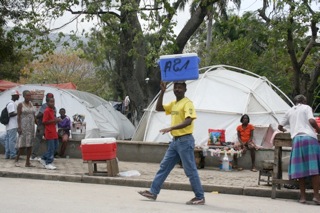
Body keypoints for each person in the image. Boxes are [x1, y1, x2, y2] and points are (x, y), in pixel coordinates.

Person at [138, 81, 205, 205]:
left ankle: (200, 197)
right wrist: (162, 92)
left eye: (180, 87)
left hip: (185, 140)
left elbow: (189, 120)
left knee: (190, 170)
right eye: (175, 87)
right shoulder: (174, 104)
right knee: (164, 166)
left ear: (185, 89)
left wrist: (171, 128)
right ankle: (153, 192)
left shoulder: (187, 103)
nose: (177, 89)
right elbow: (158, 108)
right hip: (175, 142)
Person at [278, 94, 320, 205]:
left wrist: (288, 129)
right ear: (304, 101)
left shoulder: (290, 111)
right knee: (314, 169)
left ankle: (303, 197)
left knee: (300, 170)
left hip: (297, 140)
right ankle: (316, 196)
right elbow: (311, 121)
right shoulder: (307, 108)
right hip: (309, 138)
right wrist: (318, 129)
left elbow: (280, 126)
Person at [15, 90, 36, 167]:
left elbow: (34, 115)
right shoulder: (21, 105)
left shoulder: (31, 104)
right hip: (23, 127)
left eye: (29, 95)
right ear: (23, 96)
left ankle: (27, 162)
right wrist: (19, 127)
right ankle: (17, 159)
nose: (28, 97)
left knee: (30, 144)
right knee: (22, 144)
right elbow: (18, 117)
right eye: (27, 95)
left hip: (31, 127)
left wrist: (37, 124)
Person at [39, 97, 61, 170]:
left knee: (55, 147)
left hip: (54, 131)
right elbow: (44, 122)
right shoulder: (47, 111)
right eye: (51, 102)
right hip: (49, 131)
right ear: (47, 103)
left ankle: (43, 158)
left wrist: (56, 120)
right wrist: (54, 120)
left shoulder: (52, 110)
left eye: (53, 102)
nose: (53, 103)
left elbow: (52, 120)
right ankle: (48, 162)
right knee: (51, 148)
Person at [31, 93, 54, 161]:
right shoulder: (46, 106)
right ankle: (34, 156)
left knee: (44, 140)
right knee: (39, 140)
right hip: (42, 125)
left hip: (45, 125)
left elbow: (40, 114)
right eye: (47, 98)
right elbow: (41, 114)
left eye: (49, 98)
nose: (48, 99)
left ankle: (47, 155)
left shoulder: (47, 106)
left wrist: (36, 116)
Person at [4, 90, 20, 159]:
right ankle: (13, 155)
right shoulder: (11, 104)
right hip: (12, 125)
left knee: (8, 140)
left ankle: (7, 154)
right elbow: (11, 114)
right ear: (14, 96)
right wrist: (19, 112)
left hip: (10, 125)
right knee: (12, 140)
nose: (18, 96)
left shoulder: (11, 103)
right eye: (17, 95)